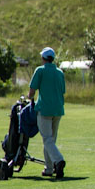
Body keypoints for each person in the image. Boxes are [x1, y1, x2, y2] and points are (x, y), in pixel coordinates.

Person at [29, 47, 66, 178]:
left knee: (47, 139)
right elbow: (62, 91)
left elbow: (32, 90)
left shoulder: (40, 70)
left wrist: (30, 98)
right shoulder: (59, 72)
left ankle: (59, 161)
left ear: (44, 58)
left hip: (45, 109)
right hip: (58, 109)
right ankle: (49, 168)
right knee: (51, 140)